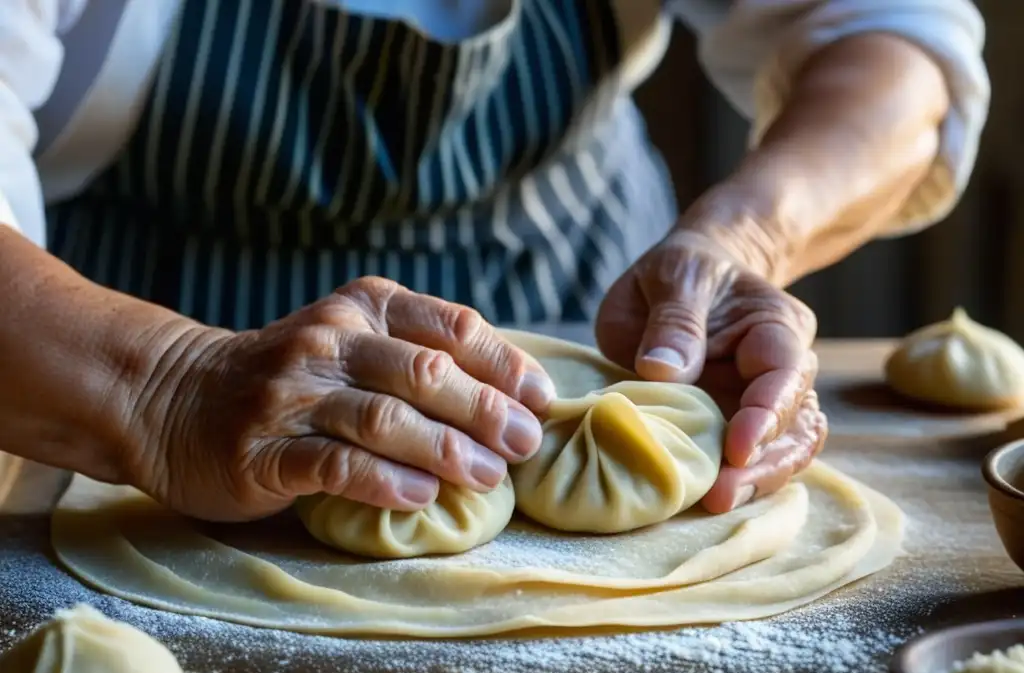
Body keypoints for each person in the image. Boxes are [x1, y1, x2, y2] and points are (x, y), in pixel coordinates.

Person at [0, 0, 989, 522]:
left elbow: (889, 43)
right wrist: (167, 390)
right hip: (126, 354)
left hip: (587, 308)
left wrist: (745, 239)